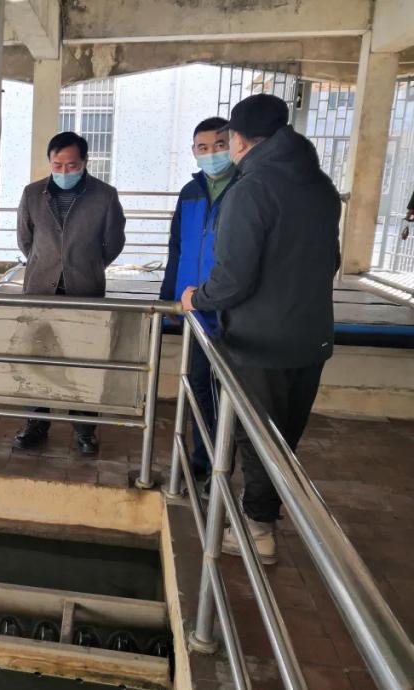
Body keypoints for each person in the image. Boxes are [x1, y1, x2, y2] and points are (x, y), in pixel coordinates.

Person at [182, 94, 341, 564]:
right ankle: (264, 514)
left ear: (238, 139)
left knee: (256, 436)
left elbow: (232, 279)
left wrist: (197, 299)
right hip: (311, 336)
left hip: (260, 340)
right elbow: (330, 260)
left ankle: (257, 528)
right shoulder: (320, 186)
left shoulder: (250, 190)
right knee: (284, 436)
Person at [12, 131, 127, 456]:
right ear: (49, 162)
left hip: (84, 292)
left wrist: (86, 265)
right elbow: (25, 240)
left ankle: (85, 429)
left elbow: (114, 242)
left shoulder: (105, 196)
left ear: (85, 162)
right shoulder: (32, 194)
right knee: (37, 359)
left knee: (84, 361)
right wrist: (49, 264)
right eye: (57, 165)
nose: (64, 171)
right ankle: (36, 423)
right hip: (40, 291)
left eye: (72, 165)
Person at [160, 117, 238, 483]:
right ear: (193, 151)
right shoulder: (190, 193)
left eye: (219, 145)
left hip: (231, 311)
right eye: (203, 148)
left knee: (229, 393)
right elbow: (176, 248)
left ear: (234, 145)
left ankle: (222, 465)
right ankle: (201, 458)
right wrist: (169, 299)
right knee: (197, 386)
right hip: (193, 308)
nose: (211, 154)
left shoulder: (244, 189)